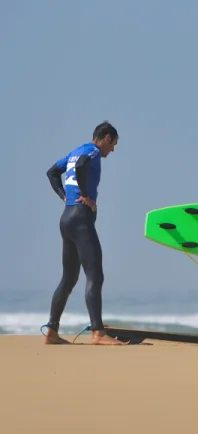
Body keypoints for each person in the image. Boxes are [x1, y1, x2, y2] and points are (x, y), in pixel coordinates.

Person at [43, 121, 126, 345]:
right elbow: (80, 166)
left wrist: (63, 195)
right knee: (95, 275)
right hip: (81, 218)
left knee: (69, 278)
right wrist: (86, 195)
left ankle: (51, 330)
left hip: (67, 217)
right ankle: (98, 333)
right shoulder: (92, 151)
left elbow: (52, 172)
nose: (113, 150)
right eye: (114, 144)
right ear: (107, 137)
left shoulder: (75, 151)